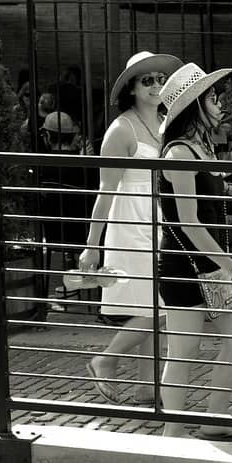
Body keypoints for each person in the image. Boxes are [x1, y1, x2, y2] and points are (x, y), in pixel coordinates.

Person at [155, 62, 232, 439]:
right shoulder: (179, 154)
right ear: (195, 107)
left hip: (208, 266)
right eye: (212, 97)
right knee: (183, 350)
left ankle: (214, 420)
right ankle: (173, 435)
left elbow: (206, 205)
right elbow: (188, 222)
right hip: (185, 266)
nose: (221, 102)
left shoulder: (200, 148)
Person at [78, 51, 184, 405]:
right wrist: (92, 245)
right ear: (133, 88)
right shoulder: (121, 129)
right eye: (147, 80)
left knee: (151, 305)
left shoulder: (169, 121)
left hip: (160, 217)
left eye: (159, 79)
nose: (155, 86)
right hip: (131, 221)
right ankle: (105, 359)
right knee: (158, 309)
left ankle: (146, 387)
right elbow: (104, 191)